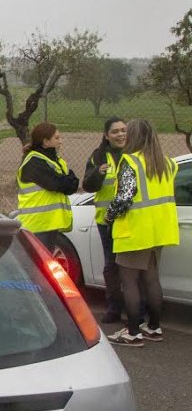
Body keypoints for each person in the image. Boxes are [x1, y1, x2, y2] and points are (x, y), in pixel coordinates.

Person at [104, 119, 179, 347]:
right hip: (160, 231)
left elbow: (124, 198)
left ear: (134, 137)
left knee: (129, 283)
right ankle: (154, 327)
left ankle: (133, 332)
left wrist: (109, 215)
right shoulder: (166, 163)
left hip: (135, 231)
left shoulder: (130, 162)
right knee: (152, 280)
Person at [82, 117, 129, 323]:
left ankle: (137, 307)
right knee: (111, 265)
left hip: (131, 220)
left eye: (123, 130)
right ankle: (114, 307)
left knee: (131, 266)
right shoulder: (99, 156)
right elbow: (88, 186)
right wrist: (97, 174)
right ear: (106, 135)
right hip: (107, 221)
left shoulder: (134, 154)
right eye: (115, 131)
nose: (120, 134)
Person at [15, 122, 79, 252]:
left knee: (44, 264)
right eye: (57, 138)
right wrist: (68, 179)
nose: (60, 141)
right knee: (38, 267)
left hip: (47, 223)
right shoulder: (34, 162)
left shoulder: (53, 159)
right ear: (46, 142)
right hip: (37, 225)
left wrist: (68, 180)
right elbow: (59, 184)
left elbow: (72, 186)